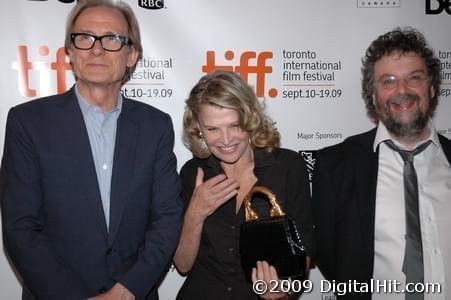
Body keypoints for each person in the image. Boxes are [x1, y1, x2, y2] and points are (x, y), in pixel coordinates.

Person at [0, 0, 183, 299]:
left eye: (112, 39)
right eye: (84, 38)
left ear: (131, 55)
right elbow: (20, 228)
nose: (96, 49)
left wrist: (126, 290)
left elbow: (166, 218)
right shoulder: (28, 123)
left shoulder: (156, 126)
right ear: (70, 52)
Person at [312, 27, 451, 299]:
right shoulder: (335, 166)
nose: (402, 90)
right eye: (388, 81)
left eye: (414, 78)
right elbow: (329, 257)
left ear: (432, 88)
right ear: (372, 95)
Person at [173, 70, 313, 300]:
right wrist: (194, 214)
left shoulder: (287, 167)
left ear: (250, 119)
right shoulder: (193, 173)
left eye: (235, 125)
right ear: (198, 128)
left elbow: (303, 254)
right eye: (212, 129)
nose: (226, 140)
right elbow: (183, 264)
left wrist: (283, 293)